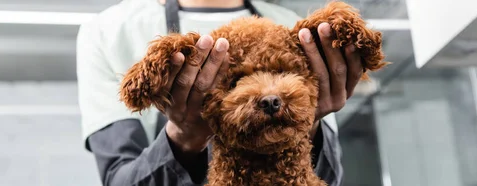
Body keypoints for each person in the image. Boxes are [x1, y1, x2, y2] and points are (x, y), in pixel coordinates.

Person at [76, 0, 364, 185]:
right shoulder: (108, 32)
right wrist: (183, 138)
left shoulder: (293, 24)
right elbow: (120, 178)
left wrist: (306, 120)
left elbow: (329, 175)